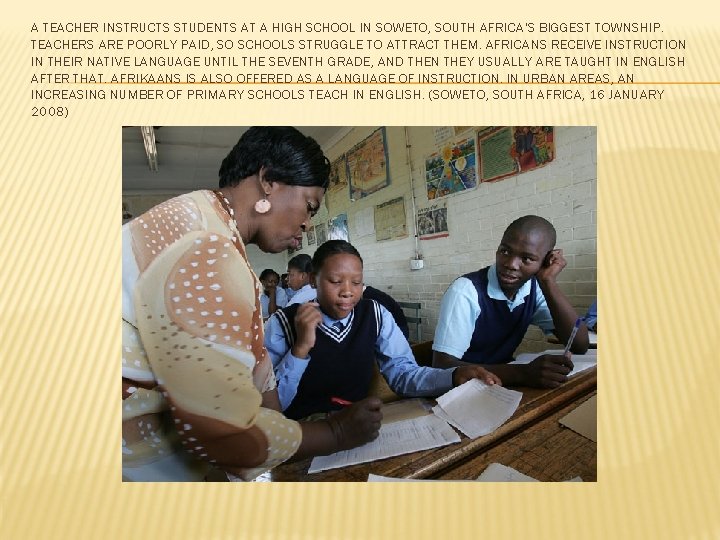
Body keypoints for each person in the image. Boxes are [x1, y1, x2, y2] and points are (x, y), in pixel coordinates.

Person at [122, 127, 383, 482]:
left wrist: (278, 427)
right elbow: (218, 431)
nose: (307, 223)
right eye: (309, 206)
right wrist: (336, 433)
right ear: (268, 181)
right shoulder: (207, 248)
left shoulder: (204, 221)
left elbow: (255, 366)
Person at [264, 240, 500, 420]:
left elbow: (403, 375)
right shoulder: (283, 323)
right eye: (336, 281)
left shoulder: (374, 314)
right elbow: (271, 407)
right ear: (314, 280)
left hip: (354, 426)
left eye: (356, 282)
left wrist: (452, 376)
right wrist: (301, 348)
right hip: (301, 435)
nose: (348, 291)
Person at [432, 215, 589, 389]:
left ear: (546, 261)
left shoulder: (534, 288)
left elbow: (580, 344)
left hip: (500, 383)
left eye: (527, 258)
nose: (511, 264)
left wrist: (548, 281)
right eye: (505, 251)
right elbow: (442, 366)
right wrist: (523, 374)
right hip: (463, 389)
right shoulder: (465, 291)